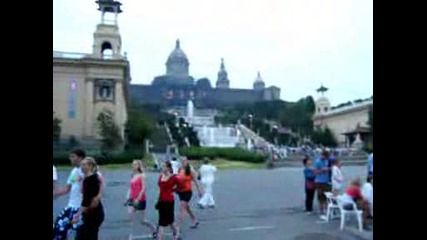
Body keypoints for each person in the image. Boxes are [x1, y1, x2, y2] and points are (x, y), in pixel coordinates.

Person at [53, 149, 86, 239]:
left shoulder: (87, 170)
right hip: (70, 207)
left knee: (79, 234)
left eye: (72, 156)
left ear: (80, 158)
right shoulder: (74, 171)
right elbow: (67, 189)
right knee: (59, 229)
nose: (70, 159)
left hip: (81, 208)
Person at [73, 157, 105, 239]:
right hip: (93, 212)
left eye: (84, 165)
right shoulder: (92, 177)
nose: (82, 167)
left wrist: (77, 215)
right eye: (81, 165)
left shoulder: (90, 180)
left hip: (93, 213)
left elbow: (86, 200)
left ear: (90, 166)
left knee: (87, 235)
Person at [125, 160, 157, 239]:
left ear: (139, 166)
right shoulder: (133, 175)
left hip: (140, 199)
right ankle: (131, 235)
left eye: (135, 165)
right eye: (133, 165)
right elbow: (131, 187)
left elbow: (143, 188)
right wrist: (128, 196)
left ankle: (153, 228)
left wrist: (138, 199)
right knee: (130, 215)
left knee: (142, 221)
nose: (133, 166)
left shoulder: (142, 175)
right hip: (132, 198)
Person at [156, 161, 180, 240]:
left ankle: (161, 238)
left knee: (162, 223)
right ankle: (176, 232)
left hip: (169, 201)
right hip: (161, 200)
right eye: (162, 166)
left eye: (163, 166)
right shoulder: (161, 176)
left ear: (168, 168)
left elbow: (180, 185)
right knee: (170, 220)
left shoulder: (173, 177)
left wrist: (173, 190)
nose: (162, 168)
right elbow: (161, 188)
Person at [176, 159, 203, 229]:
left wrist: (199, 190)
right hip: (180, 191)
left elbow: (196, 181)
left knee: (182, 208)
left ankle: (178, 228)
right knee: (187, 208)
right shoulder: (180, 170)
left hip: (187, 192)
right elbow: (177, 180)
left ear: (187, 163)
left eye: (185, 161)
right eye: (182, 161)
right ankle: (194, 220)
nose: (183, 163)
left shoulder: (190, 171)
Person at [313, 150, 332, 220]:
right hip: (319, 181)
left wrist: (329, 169)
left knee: (327, 197)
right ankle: (321, 212)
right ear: (323, 155)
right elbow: (315, 172)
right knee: (321, 197)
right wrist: (322, 170)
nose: (326, 158)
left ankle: (327, 210)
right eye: (325, 157)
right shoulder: (317, 162)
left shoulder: (326, 161)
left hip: (326, 181)